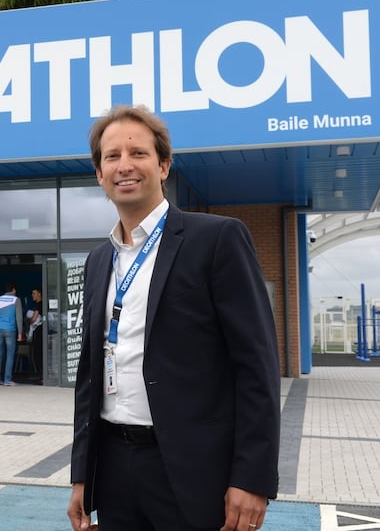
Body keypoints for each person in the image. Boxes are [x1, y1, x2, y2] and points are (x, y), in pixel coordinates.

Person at [67, 105, 280, 531]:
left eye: (139, 154)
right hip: (113, 469)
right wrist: (81, 476)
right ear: (99, 173)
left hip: (193, 472)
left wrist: (252, 478)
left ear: (164, 165)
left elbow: (257, 366)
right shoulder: (97, 261)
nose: (124, 166)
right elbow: (91, 376)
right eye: (112, 157)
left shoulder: (217, 239)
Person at [0, 281, 24, 386]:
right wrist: (20, 333)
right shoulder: (16, 300)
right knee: (10, 355)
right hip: (10, 329)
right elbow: (19, 318)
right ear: (13, 290)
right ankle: (7, 380)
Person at [26, 288, 44, 374]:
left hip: (39, 331)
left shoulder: (39, 305)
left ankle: (41, 374)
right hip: (42, 330)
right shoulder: (43, 304)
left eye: (34, 293)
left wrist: (28, 320)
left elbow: (33, 319)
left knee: (37, 353)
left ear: (39, 294)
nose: (32, 295)